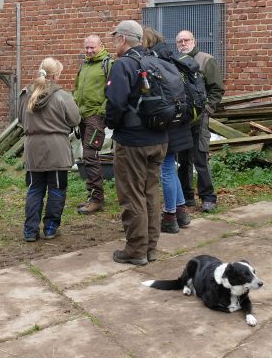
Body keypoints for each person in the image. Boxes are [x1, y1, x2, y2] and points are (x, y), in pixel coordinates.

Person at [105, 20, 168, 266]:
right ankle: (151, 248)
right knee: (151, 193)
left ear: (122, 39)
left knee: (132, 195)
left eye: (114, 39)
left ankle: (136, 250)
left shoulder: (124, 65)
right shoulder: (157, 61)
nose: (113, 44)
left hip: (132, 141)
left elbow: (116, 104)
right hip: (160, 138)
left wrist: (112, 124)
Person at [18, 57, 81, 242]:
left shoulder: (25, 94)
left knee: (34, 189)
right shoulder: (62, 95)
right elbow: (75, 119)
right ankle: (51, 228)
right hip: (57, 149)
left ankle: (30, 231)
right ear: (57, 74)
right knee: (57, 189)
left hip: (32, 149)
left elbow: (21, 120)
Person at [142, 27, 193, 234]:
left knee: (166, 170)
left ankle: (170, 216)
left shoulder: (155, 61)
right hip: (179, 121)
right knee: (170, 167)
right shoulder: (170, 57)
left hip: (167, 122)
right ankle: (181, 212)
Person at [175, 30, 224, 213]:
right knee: (183, 159)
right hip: (182, 119)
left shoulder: (206, 60)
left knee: (200, 157)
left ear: (194, 41)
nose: (183, 44)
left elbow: (217, 89)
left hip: (200, 118)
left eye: (186, 40)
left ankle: (208, 197)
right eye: (179, 41)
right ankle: (187, 197)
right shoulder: (175, 62)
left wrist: (208, 110)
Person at [73, 34, 114, 215]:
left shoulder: (108, 64)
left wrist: (102, 112)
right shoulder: (85, 64)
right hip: (82, 116)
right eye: (87, 48)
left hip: (95, 117)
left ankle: (97, 199)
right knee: (87, 156)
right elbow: (76, 88)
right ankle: (91, 196)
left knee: (90, 155)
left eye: (92, 47)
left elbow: (112, 90)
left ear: (101, 46)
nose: (89, 51)